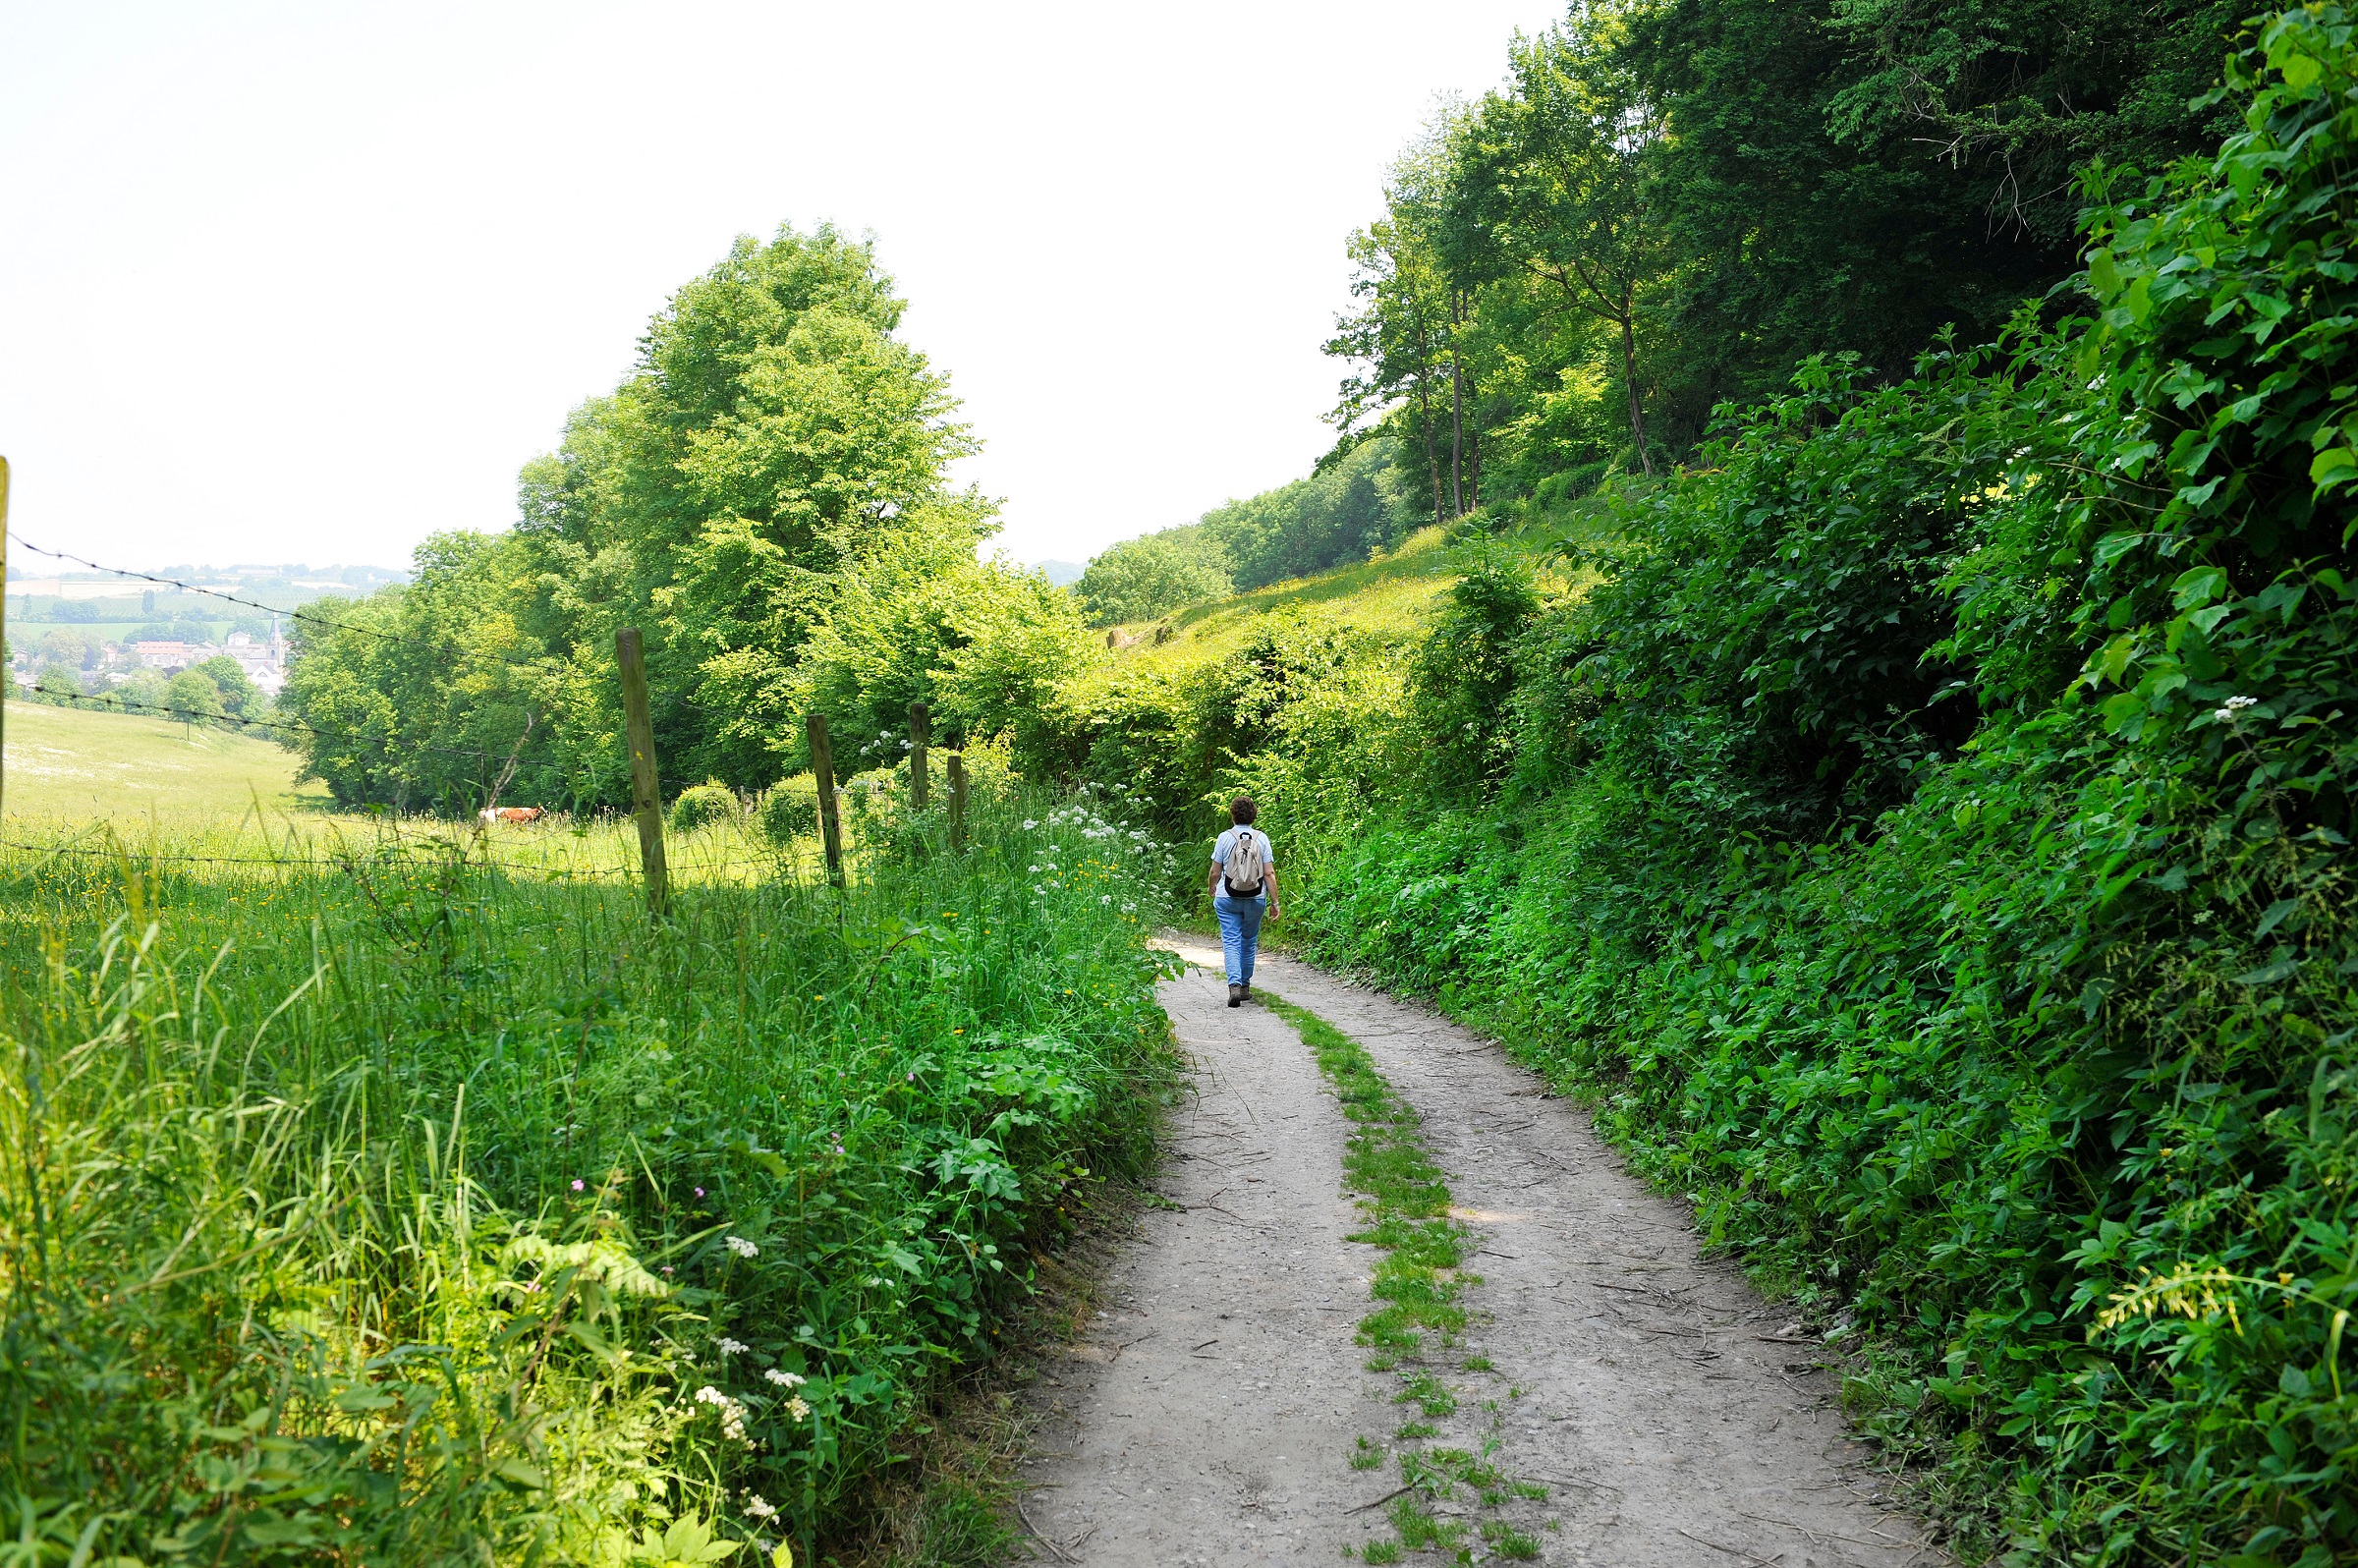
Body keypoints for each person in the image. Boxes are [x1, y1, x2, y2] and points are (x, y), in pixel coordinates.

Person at [1208, 795, 1279, 1007]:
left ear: (1232, 815)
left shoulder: (1224, 838)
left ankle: (1235, 987)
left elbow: (1215, 870)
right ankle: (1245, 987)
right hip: (1255, 897)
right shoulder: (1262, 838)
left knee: (1231, 941)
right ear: (1253, 816)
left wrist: (1212, 887)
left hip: (1227, 897)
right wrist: (1275, 902)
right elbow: (1269, 873)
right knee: (1249, 942)